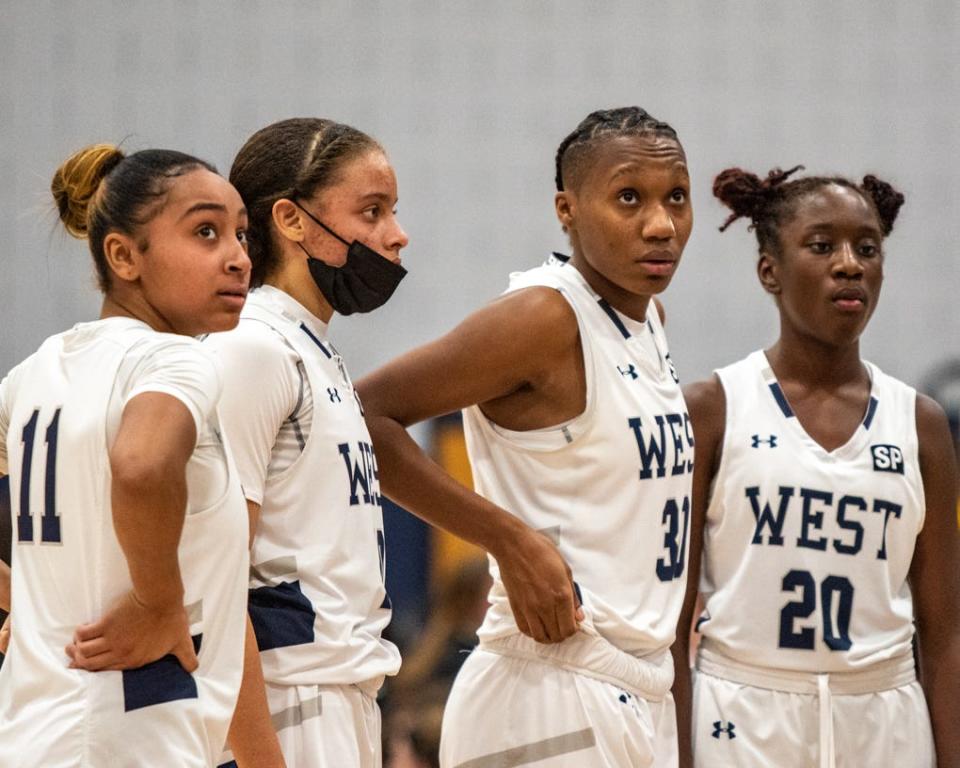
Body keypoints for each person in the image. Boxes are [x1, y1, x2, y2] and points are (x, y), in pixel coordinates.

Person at [358, 106, 695, 767]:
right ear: (566, 210)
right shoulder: (543, 315)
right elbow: (361, 417)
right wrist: (506, 538)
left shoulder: (648, 318)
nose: (661, 224)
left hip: (637, 684)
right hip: (547, 684)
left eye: (675, 197)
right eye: (629, 198)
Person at [672, 166, 960, 768]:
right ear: (768, 270)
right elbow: (673, 625)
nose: (850, 264)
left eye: (868, 247)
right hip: (743, 711)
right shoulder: (713, 408)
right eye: (823, 246)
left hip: (884, 713)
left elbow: (945, 634)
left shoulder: (922, 423)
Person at [0, 144, 252, 766]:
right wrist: (155, 600)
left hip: (42, 732)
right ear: (122, 255)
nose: (239, 258)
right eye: (205, 232)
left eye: (240, 233)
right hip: (130, 730)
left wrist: (21, 594)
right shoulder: (173, 359)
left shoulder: (37, 369)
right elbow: (141, 466)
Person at [204, 117, 410, 768]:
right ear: (291, 220)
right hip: (286, 698)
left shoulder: (310, 348)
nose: (397, 235)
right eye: (372, 211)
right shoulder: (253, 348)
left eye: (393, 212)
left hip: (340, 692)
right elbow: (214, 577)